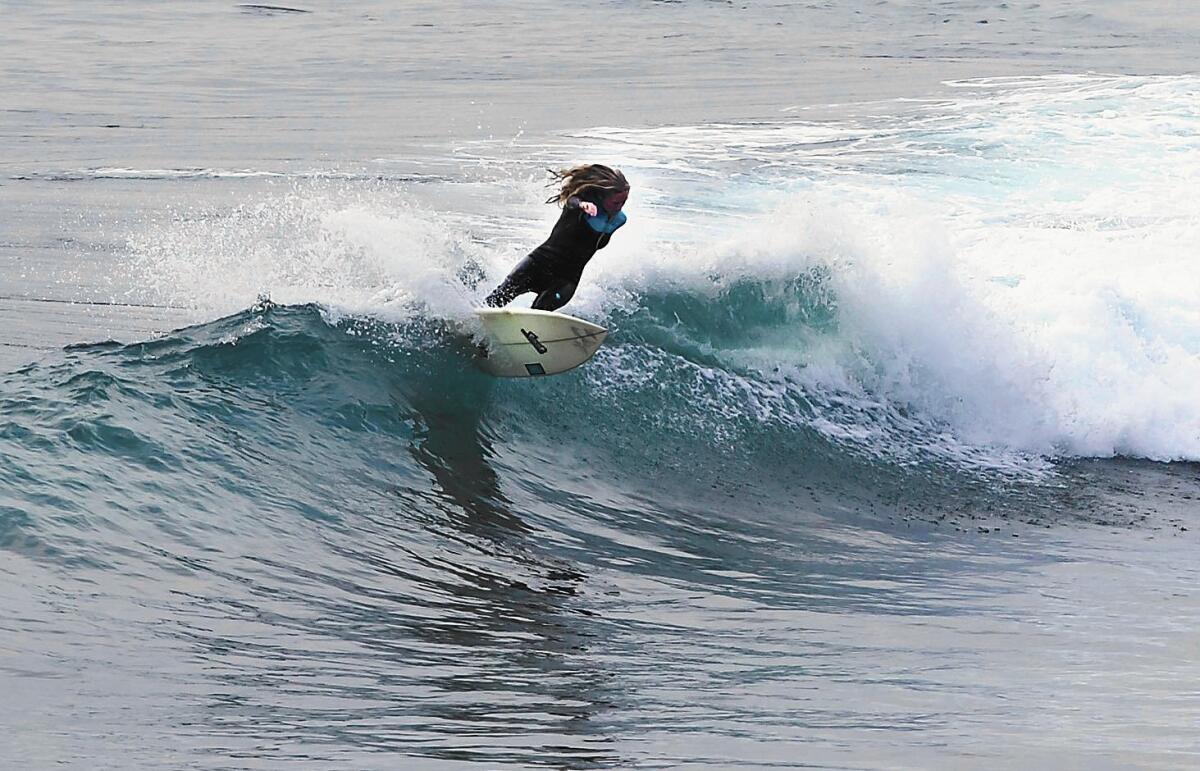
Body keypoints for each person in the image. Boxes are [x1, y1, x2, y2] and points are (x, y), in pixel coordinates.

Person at [485, 164, 629, 311]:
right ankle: (469, 328)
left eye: (624, 202)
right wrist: (582, 204)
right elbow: (571, 201)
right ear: (601, 196)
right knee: (496, 300)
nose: (619, 207)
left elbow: (597, 244)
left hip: (566, 279)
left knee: (540, 314)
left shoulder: (619, 220)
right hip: (538, 263)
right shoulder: (581, 204)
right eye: (616, 202)